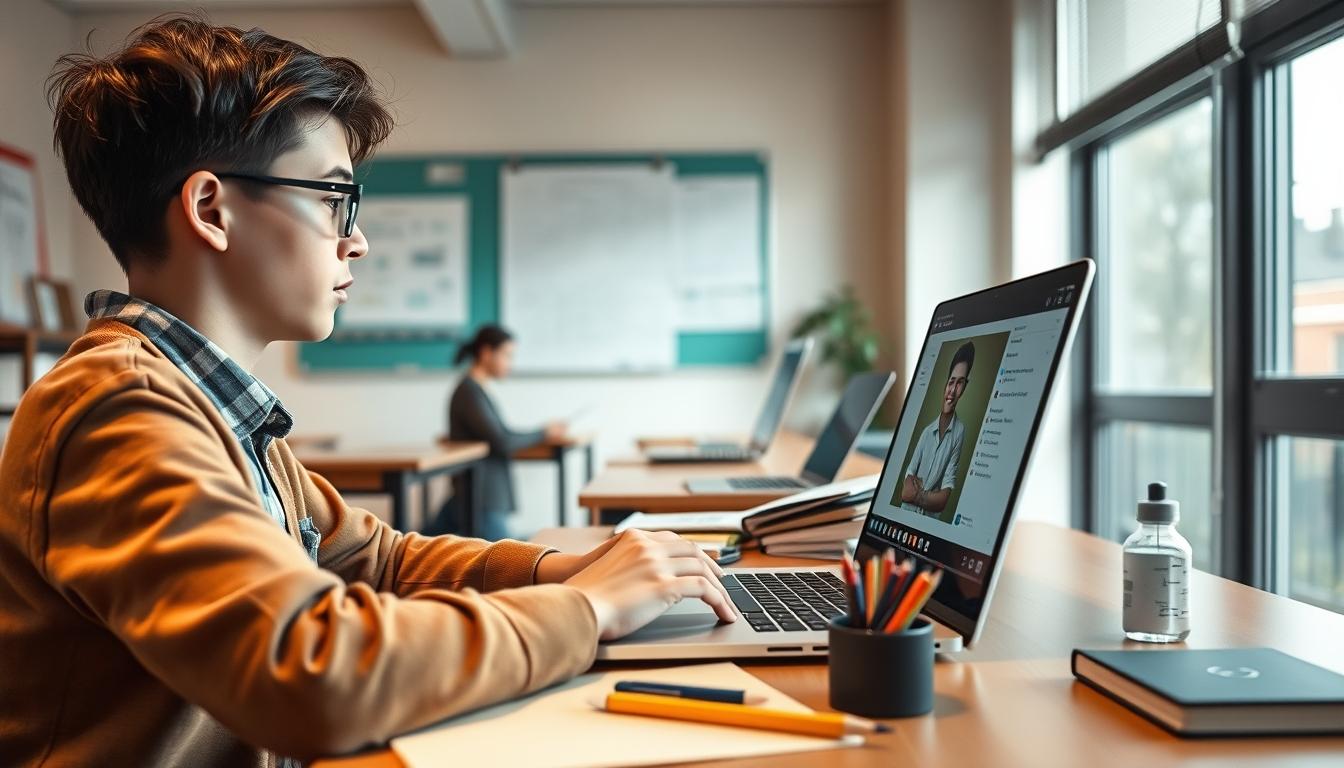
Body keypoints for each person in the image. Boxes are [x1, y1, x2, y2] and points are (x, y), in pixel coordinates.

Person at [0, 15, 734, 767]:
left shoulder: (211, 403)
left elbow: (376, 561)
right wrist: (591, 609)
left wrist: (562, 569)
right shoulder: (116, 406)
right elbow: (310, 673)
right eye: (331, 199)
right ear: (211, 210)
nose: (357, 239)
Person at [430, 324, 565, 540]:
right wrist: (543, 432)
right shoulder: (469, 391)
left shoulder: (476, 390)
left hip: (480, 494)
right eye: (507, 355)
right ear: (486, 353)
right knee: (510, 564)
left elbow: (500, 434)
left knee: (429, 539)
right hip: (481, 497)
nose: (510, 364)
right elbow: (502, 440)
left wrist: (543, 432)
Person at [899, 340, 975, 518]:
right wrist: (928, 496)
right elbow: (905, 491)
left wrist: (917, 494)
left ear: (965, 387)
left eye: (960, 383)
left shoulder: (959, 431)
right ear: (946, 384)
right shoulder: (926, 432)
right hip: (905, 516)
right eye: (951, 382)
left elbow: (942, 501)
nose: (953, 390)